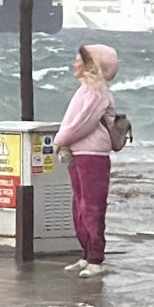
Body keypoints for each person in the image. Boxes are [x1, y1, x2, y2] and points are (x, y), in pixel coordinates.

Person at [53, 43, 118, 278]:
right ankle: (86, 254)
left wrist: (59, 140)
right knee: (79, 206)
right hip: (79, 153)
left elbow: (84, 123)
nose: (74, 63)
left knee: (91, 207)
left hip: (93, 155)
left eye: (79, 60)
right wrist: (65, 142)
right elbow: (74, 122)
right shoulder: (84, 90)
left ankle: (96, 259)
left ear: (91, 65)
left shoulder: (97, 91)